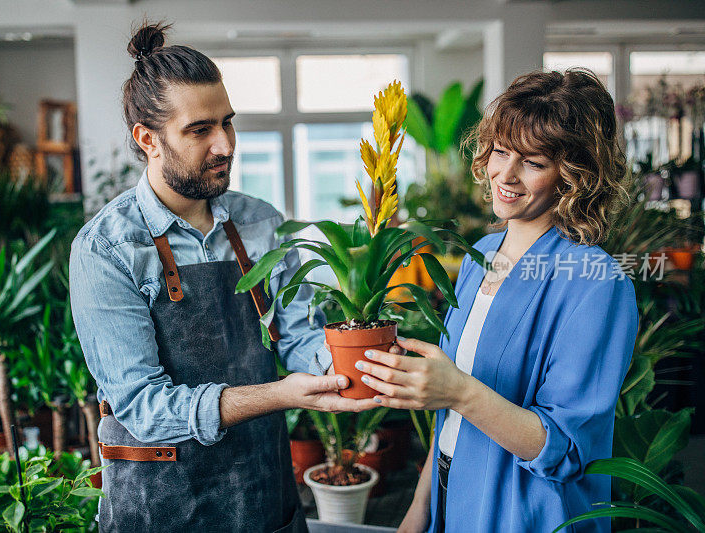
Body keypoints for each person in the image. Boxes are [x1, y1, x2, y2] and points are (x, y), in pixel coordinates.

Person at [69, 22, 376, 532]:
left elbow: (297, 336)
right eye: (200, 130)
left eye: (227, 123)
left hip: (262, 492)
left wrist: (351, 367)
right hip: (161, 506)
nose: (225, 144)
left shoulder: (261, 221)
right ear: (148, 139)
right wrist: (280, 395)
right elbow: (143, 408)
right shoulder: (108, 248)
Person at [356, 69, 639, 532]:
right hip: (450, 489)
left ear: (574, 175)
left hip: (521, 512)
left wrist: (459, 391)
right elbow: (450, 409)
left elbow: (565, 450)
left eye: (533, 162)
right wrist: (419, 508)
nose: (504, 174)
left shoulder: (596, 282)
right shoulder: (480, 256)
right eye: (500, 151)